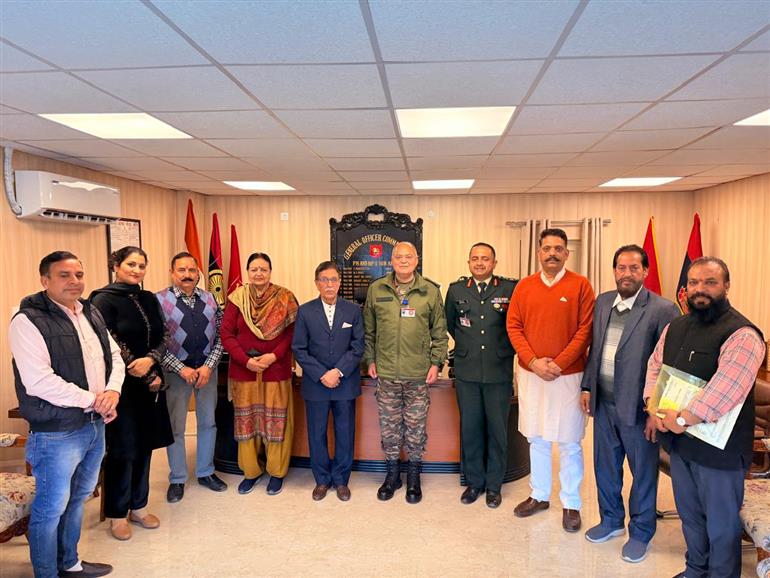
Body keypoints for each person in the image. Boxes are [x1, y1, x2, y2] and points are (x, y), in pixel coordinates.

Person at [644, 257, 765, 578]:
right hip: (681, 444)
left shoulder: (743, 334)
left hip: (719, 453)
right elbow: (655, 366)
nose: (700, 289)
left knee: (721, 525)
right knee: (691, 517)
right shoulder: (676, 326)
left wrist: (683, 419)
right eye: (694, 282)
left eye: (710, 282)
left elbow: (726, 390)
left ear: (726, 286)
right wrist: (651, 404)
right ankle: (695, 569)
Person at [10, 251, 124, 578]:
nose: (74, 281)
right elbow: (39, 381)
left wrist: (113, 392)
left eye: (79, 275)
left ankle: (70, 563)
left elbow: (114, 356)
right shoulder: (27, 319)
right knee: (51, 508)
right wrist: (94, 400)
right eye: (64, 275)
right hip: (57, 432)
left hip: (95, 425)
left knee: (79, 499)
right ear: (44, 280)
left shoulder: (89, 311)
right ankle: (46, 573)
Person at [580, 245, 679, 563]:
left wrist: (656, 412)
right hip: (604, 404)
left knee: (643, 475)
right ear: (614, 271)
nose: (626, 273)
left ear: (645, 271)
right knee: (605, 468)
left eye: (634, 268)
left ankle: (641, 532)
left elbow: (669, 366)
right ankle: (610, 521)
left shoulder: (663, 309)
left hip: (639, 410)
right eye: (621, 267)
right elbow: (596, 349)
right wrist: (587, 386)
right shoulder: (603, 302)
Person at [506, 228, 594, 532]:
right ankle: (539, 495)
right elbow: (513, 326)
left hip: (568, 375)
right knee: (537, 437)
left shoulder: (581, 285)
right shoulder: (524, 286)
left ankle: (571, 503)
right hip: (531, 374)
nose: (552, 253)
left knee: (569, 441)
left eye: (558, 248)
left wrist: (558, 363)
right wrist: (533, 361)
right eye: (547, 248)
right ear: (539, 253)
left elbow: (585, 330)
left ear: (567, 254)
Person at [90, 246, 173, 541]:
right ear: (116, 265)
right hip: (121, 386)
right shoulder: (101, 299)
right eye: (131, 264)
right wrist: (141, 369)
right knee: (122, 450)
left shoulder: (149, 298)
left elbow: (165, 334)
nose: (137, 270)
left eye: (141, 265)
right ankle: (116, 514)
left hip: (151, 383)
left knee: (145, 445)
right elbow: (109, 340)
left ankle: (139, 507)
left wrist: (152, 361)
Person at [363, 241, 448, 504]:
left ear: (416, 260)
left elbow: (440, 333)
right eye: (398, 257)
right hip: (387, 373)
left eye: (408, 257)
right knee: (389, 428)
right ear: (391, 261)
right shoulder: (377, 289)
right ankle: (392, 475)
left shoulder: (429, 291)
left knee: (415, 428)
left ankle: (413, 475)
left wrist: (436, 363)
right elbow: (369, 332)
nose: (403, 261)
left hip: (417, 375)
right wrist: (370, 359)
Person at [445, 242, 517, 508]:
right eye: (474, 258)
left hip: (498, 371)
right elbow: (451, 324)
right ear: (468, 262)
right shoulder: (456, 290)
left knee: (497, 431)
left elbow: (515, 325)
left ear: (494, 263)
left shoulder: (509, 289)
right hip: (467, 371)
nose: (479, 263)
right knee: (471, 429)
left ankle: (494, 486)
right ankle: (475, 483)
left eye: (485, 258)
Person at [221, 252, 298, 496]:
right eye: (254, 269)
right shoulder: (237, 299)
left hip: (276, 370)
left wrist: (273, 356)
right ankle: (251, 472)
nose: (258, 273)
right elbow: (226, 335)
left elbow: (291, 333)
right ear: (247, 272)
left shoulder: (284, 297)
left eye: (263, 269)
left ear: (270, 272)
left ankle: (276, 472)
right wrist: (246, 361)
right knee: (247, 422)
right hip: (244, 372)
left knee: (276, 422)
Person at [156, 252, 226, 503]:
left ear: (198, 273)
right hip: (176, 373)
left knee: (208, 423)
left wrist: (209, 366)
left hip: (207, 371)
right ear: (172, 272)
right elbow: (155, 342)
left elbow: (222, 336)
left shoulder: (210, 298)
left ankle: (206, 472)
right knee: (176, 427)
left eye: (192, 270)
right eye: (182, 270)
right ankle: (177, 478)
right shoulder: (159, 301)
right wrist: (181, 368)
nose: (187, 275)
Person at [292, 261, 365, 501]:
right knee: (317, 434)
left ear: (340, 283)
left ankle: (341, 480)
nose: (329, 284)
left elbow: (358, 346)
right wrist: (322, 374)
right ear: (317, 283)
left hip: (345, 383)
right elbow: (299, 348)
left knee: (345, 433)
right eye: (324, 280)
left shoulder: (353, 311)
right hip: (316, 384)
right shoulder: (305, 311)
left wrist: (338, 372)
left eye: (333, 279)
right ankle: (322, 480)